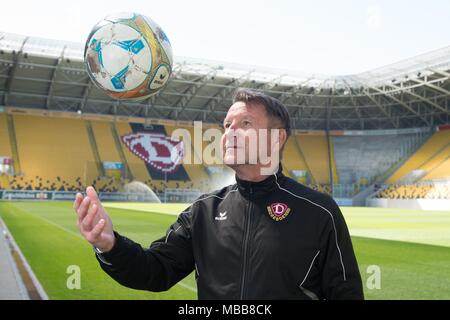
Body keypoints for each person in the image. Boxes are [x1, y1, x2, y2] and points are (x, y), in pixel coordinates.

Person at [73, 88, 364, 300]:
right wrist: (108, 244)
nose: (229, 133)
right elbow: (155, 271)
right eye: (227, 126)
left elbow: (346, 294)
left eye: (245, 124)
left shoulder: (319, 211)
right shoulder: (203, 212)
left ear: (277, 138)